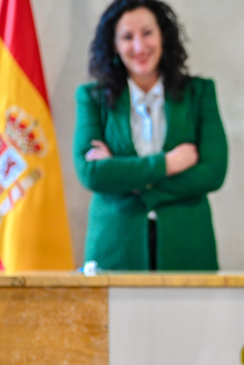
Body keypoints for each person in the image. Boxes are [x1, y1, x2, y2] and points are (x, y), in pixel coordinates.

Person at [73, 0, 228, 270]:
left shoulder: (199, 93)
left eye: (147, 33)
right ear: (114, 44)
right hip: (115, 246)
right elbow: (91, 172)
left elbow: (213, 172)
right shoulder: (91, 98)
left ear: (163, 36)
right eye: (127, 37)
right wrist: (168, 164)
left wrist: (125, 175)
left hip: (187, 245)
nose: (139, 46)